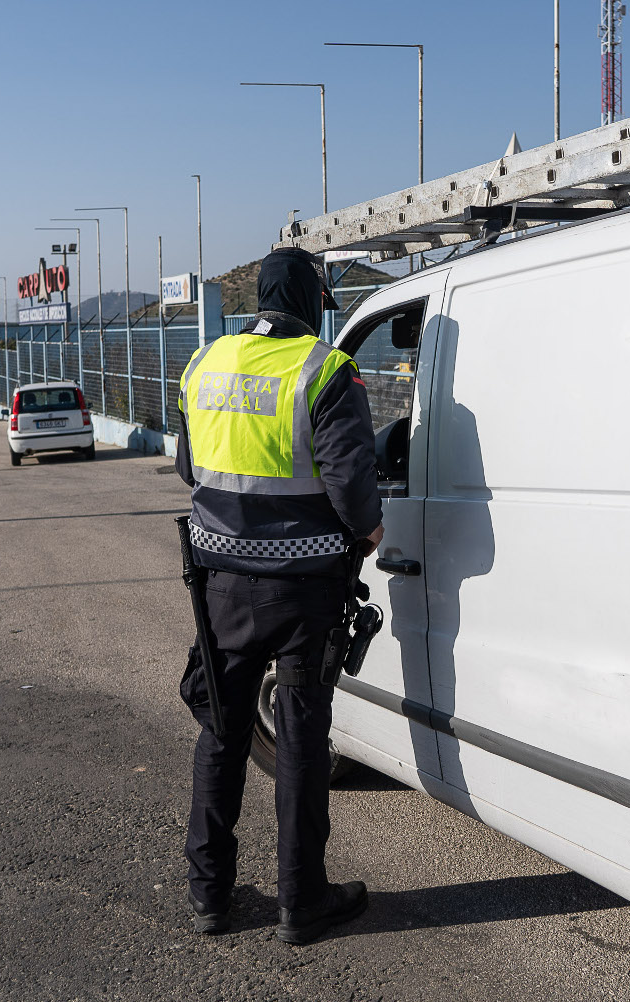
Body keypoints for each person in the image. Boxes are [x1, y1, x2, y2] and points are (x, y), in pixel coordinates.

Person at [174, 247, 383, 945]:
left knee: (223, 733)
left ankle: (210, 896)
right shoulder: (326, 370)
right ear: (312, 300)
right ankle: (302, 901)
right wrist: (371, 528)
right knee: (298, 743)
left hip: (221, 589)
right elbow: (352, 485)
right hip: (304, 592)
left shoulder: (204, 364)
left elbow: (188, 466)